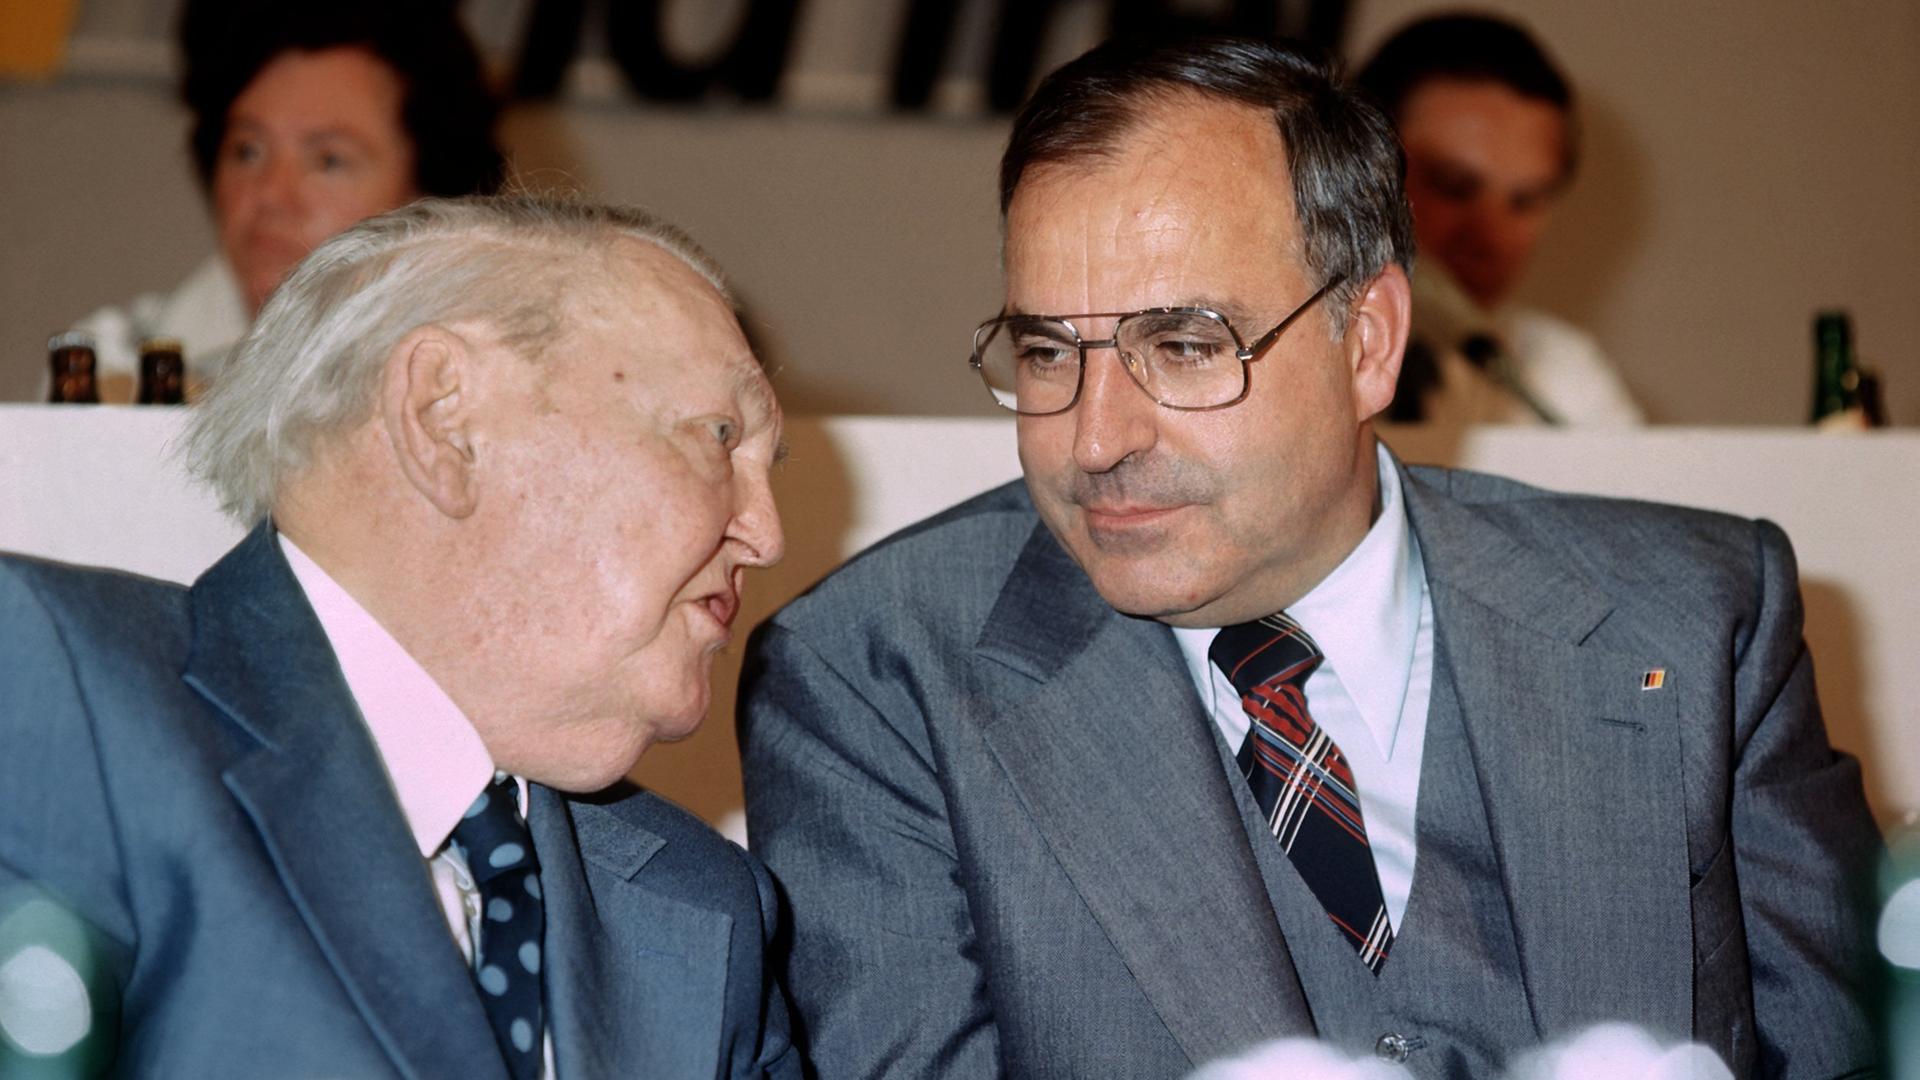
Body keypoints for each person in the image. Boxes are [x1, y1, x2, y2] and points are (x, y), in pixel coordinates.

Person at [737, 36, 1881, 1079]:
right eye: (1046, 353)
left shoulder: (1692, 623)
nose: (1096, 441)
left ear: (1370, 341)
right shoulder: (874, 677)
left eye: (1182, 346)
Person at [0, 196, 798, 1077]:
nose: (766, 533)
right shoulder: (46, 694)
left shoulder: (703, 909)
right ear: (443, 417)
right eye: (719, 436)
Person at [59, 1, 503, 402]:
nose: (272, 195)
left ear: (426, 199)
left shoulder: (493, 377)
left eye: (328, 160)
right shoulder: (108, 367)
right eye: (248, 151)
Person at [1355, 14, 1642, 426]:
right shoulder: (1265, 346)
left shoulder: (1559, 377)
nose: (1489, 238)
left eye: (1526, 201)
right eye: (1452, 187)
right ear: (1356, 171)